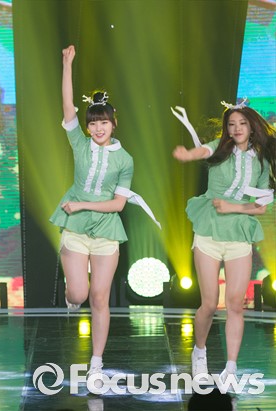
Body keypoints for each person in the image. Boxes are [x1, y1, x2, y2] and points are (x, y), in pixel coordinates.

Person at [49, 45, 158, 388]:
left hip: (106, 229)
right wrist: (67, 64)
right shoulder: (80, 145)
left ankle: (96, 362)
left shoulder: (125, 160)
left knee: (100, 297)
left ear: (113, 123)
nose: (98, 128)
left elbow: (118, 205)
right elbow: (67, 106)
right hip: (75, 229)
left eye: (103, 122)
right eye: (93, 123)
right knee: (79, 295)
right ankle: (71, 292)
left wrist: (82, 205)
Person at [172, 99, 275, 382]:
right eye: (232, 124)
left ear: (252, 127)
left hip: (239, 233)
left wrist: (232, 208)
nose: (237, 128)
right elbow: (202, 150)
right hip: (209, 231)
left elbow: (261, 207)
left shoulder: (261, 160)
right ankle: (200, 351)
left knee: (235, 305)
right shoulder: (220, 147)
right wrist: (188, 154)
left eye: (242, 123)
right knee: (208, 303)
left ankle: (230, 367)